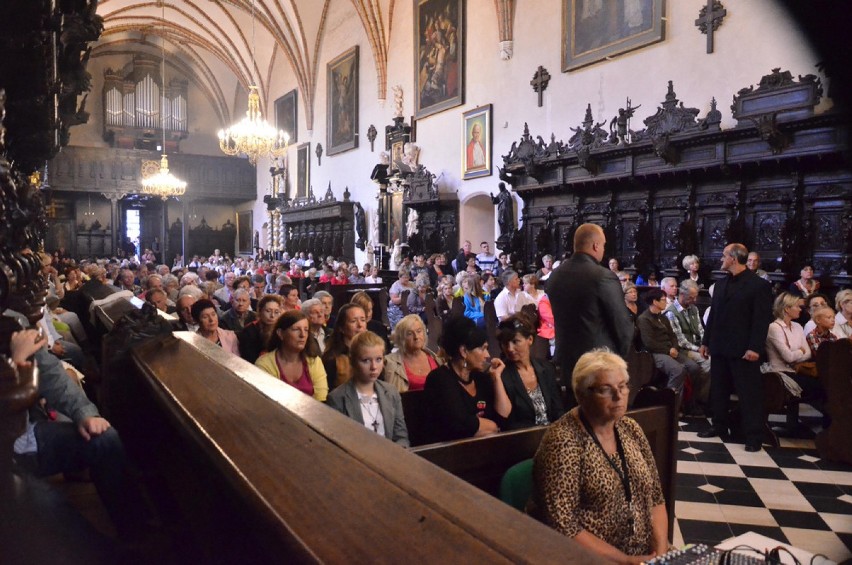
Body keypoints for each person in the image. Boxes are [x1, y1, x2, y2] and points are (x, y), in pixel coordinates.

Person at [10, 328, 153, 539]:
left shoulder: (13, 322)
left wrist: (84, 413)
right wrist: (16, 362)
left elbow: (52, 376)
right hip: (8, 457)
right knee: (50, 510)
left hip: (28, 434)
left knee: (105, 440)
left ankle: (136, 532)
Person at [529, 349, 668, 561]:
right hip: (588, 559)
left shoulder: (630, 428)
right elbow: (564, 527)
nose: (619, 396)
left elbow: (656, 497)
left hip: (644, 555)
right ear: (582, 393)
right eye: (606, 389)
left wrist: (661, 554)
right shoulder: (564, 441)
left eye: (623, 386)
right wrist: (625, 560)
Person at [699, 243, 773, 452]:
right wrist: (706, 342)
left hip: (744, 349)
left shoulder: (759, 285)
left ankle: (753, 436)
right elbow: (714, 315)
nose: (721, 259)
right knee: (719, 390)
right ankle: (719, 426)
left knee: (748, 394)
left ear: (733, 258)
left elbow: (761, 320)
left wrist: (755, 347)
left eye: (724, 256)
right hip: (720, 345)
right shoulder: (720, 284)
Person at [547, 223, 634, 391]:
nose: (603, 250)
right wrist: (619, 360)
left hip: (566, 358)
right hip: (598, 363)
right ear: (596, 245)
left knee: (573, 412)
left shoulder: (556, 275)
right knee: (600, 414)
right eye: (603, 245)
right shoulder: (602, 276)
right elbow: (622, 325)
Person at [424, 316, 511, 442]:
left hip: (486, 448)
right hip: (448, 454)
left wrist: (497, 379)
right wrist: (492, 426)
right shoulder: (439, 379)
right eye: (483, 349)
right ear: (464, 351)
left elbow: (504, 416)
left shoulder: (481, 377)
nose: (487, 355)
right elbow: (460, 426)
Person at [328, 331, 410, 446]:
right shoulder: (337, 398)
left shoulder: (391, 392)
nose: (374, 367)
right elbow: (339, 443)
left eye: (378, 359)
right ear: (353, 362)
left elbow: (401, 436)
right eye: (366, 360)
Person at [637, 289, 707, 407]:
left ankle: (690, 402)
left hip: (671, 350)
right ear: (655, 301)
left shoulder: (663, 318)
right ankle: (670, 406)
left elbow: (673, 336)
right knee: (678, 370)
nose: (666, 303)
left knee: (694, 367)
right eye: (663, 300)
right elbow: (649, 343)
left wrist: (674, 347)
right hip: (655, 353)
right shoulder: (644, 319)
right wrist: (668, 350)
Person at [496, 315, 564, 430]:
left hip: (553, 434)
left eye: (515, 341)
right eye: (505, 343)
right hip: (521, 439)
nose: (510, 348)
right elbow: (507, 422)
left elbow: (558, 410)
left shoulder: (546, 368)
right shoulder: (502, 375)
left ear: (530, 340)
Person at [764, 293, 826, 416]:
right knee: (818, 387)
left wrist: (797, 353)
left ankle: (831, 423)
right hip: (780, 372)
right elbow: (788, 357)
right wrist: (800, 351)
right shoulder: (774, 328)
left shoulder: (797, 326)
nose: (800, 309)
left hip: (797, 369)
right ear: (787, 309)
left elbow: (807, 353)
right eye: (797, 306)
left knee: (826, 383)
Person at [255, 310, 328, 402]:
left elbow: (321, 399)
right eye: (296, 329)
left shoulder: (314, 361)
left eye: (306, 330)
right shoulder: (264, 364)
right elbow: (267, 402)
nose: (303, 335)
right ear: (280, 333)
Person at [383, 314, 442, 392]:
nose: (416, 337)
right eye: (410, 333)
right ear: (401, 338)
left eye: (419, 331)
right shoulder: (389, 363)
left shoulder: (436, 359)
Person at [322, 303, 368, 389]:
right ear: (341, 328)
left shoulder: (372, 353)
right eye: (353, 321)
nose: (360, 325)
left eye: (363, 320)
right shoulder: (332, 359)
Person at [238, 295, 284, 363]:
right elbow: (249, 359)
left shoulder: (282, 330)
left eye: (276, 312)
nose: (272, 316)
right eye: (268, 311)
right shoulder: (249, 331)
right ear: (260, 311)